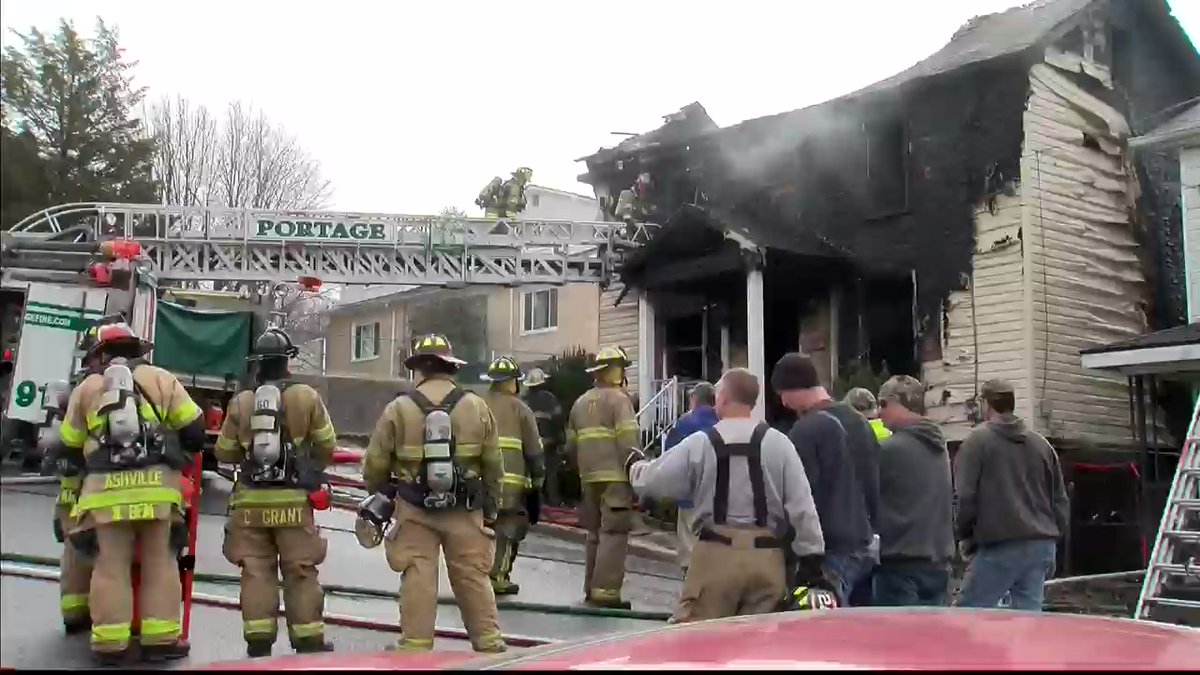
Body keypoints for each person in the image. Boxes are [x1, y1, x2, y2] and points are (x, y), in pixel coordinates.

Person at [625, 369, 828, 623]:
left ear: (722, 398)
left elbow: (655, 481)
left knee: (699, 641)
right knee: (757, 646)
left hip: (715, 557)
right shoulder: (780, 444)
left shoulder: (701, 443)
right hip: (767, 560)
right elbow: (803, 506)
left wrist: (633, 467)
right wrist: (812, 560)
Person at [57, 322, 206, 664]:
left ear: (102, 354)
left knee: (110, 565)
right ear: (137, 350)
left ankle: (110, 644)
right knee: (159, 561)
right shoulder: (162, 379)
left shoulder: (88, 388)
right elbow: (195, 433)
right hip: (157, 491)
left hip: (104, 494)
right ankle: (160, 641)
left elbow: (69, 446)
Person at [361, 334, 506, 653]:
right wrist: (492, 508)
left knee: (417, 573)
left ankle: (414, 646)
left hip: (413, 508)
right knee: (472, 575)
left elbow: (374, 464)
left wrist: (382, 494)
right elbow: (494, 465)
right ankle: (489, 643)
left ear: (419, 369)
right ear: (450, 367)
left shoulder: (398, 408)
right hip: (466, 508)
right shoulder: (476, 406)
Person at [214, 327, 337, 658]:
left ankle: (258, 641)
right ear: (286, 363)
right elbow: (327, 444)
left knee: (256, 571)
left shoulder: (242, 402)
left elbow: (224, 452)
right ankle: (308, 640)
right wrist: (309, 466)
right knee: (300, 571)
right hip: (294, 501)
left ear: (258, 365)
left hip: (250, 502)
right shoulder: (306, 397)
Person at [954, 379, 1069, 611]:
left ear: (986, 404)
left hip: (1001, 543)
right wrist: (1054, 539)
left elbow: (965, 497)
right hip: (1041, 544)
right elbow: (1059, 500)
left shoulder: (977, 442)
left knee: (967, 616)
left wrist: (963, 535)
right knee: (1026, 622)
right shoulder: (1042, 445)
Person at [771, 352, 875, 607]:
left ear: (793, 388)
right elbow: (873, 481)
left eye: (782, 393)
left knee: (820, 632)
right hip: (863, 544)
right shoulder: (860, 422)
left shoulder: (806, 430)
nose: (783, 402)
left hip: (828, 549)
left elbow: (799, 495)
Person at [565, 345, 640, 609]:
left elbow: (571, 446)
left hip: (589, 478)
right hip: (616, 477)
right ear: (616, 371)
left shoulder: (580, 402)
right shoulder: (620, 400)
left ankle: (591, 586)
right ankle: (606, 592)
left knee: (594, 533)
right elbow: (628, 441)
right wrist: (636, 474)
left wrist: (582, 471)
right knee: (614, 532)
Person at [872, 376, 954, 606]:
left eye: (883, 404)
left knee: (898, 639)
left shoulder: (889, 450)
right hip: (938, 563)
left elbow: (865, 498)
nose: (879, 412)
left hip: (899, 564)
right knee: (932, 637)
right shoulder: (939, 446)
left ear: (901, 403)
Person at [481, 356, 545, 596]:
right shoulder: (521, 409)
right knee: (507, 530)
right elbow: (534, 450)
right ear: (514, 382)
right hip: (510, 483)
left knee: (481, 528)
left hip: (479, 481)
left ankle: (477, 574)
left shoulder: (476, 404)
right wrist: (538, 482)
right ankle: (497, 576)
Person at [663, 382, 719, 574]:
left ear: (695, 399)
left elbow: (671, 454)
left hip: (689, 492)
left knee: (689, 541)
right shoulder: (722, 421)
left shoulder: (685, 423)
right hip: (718, 492)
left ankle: (693, 582)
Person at [521, 368, 563, 506]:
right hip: (549, 443)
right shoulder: (550, 399)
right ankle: (553, 501)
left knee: (533, 474)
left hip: (530, 444)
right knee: (551, 473)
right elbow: (558, 421)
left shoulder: (523, 401)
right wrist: (560, 440)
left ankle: (536, 503)